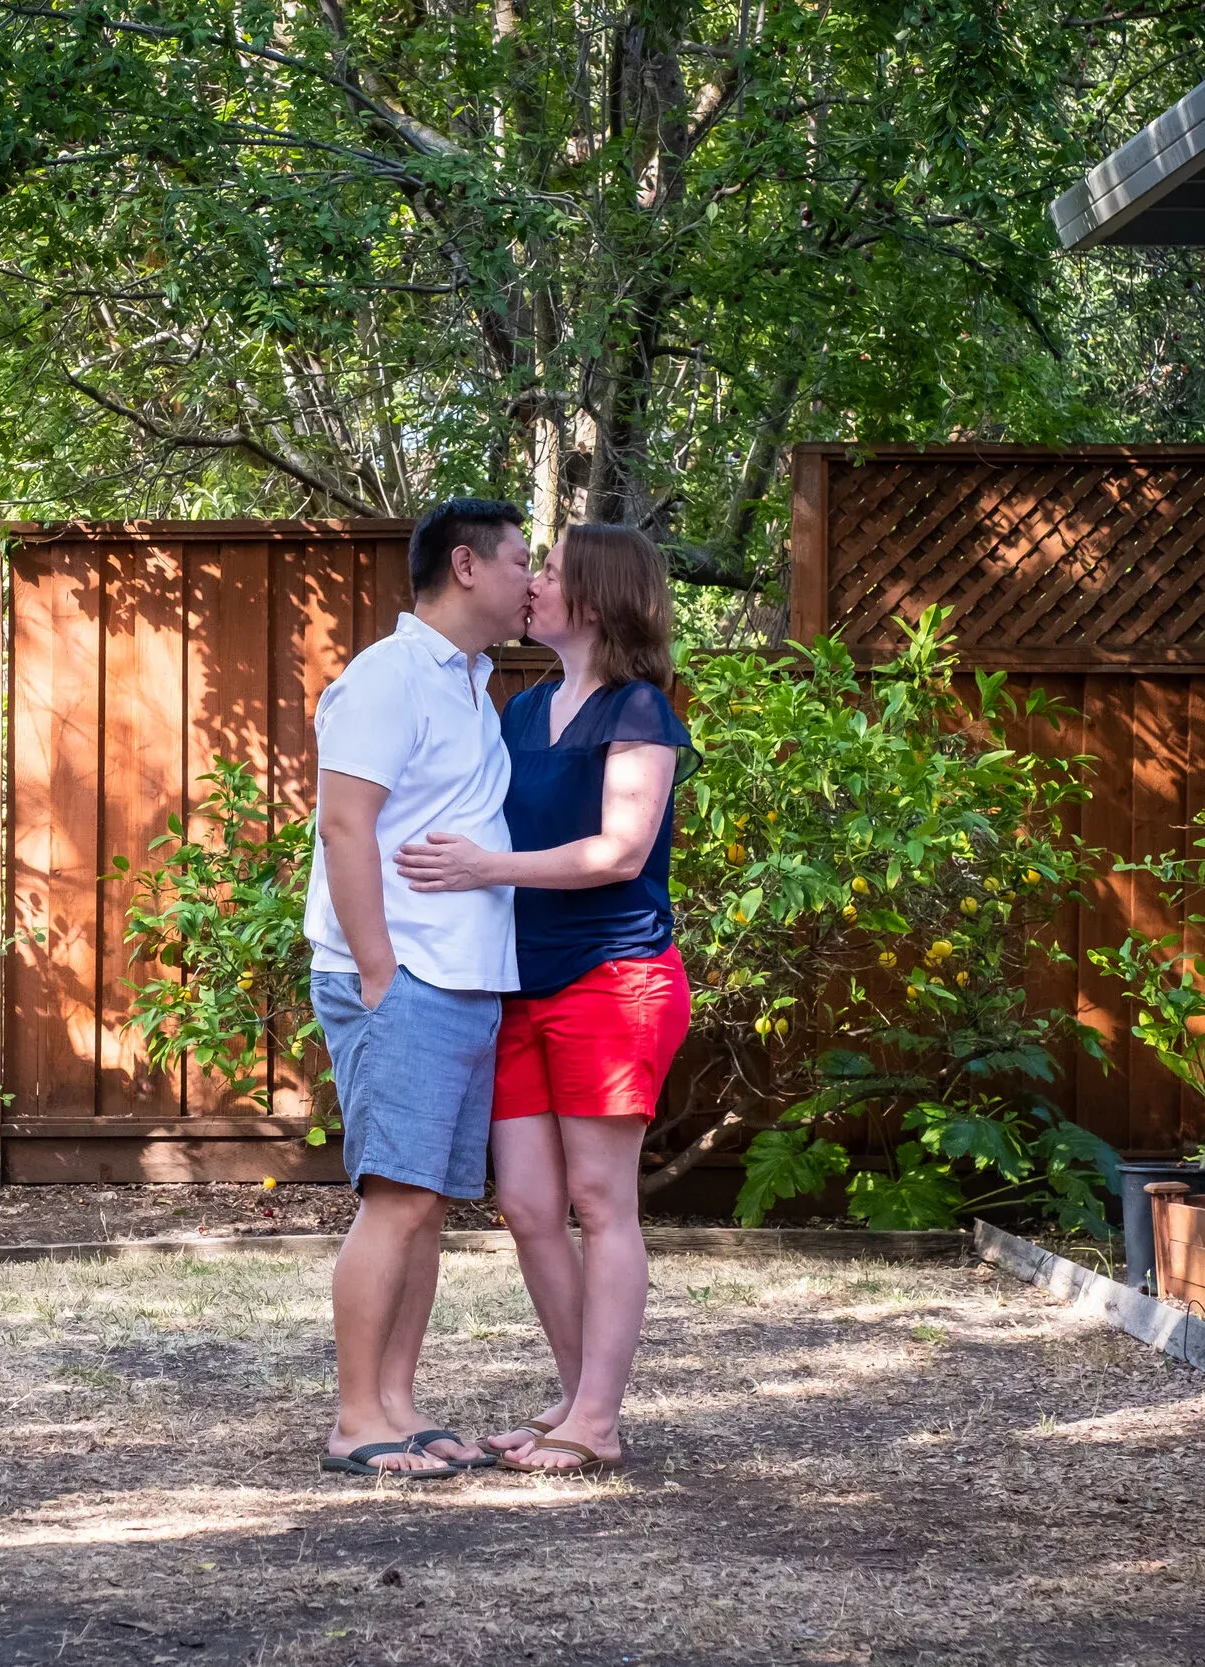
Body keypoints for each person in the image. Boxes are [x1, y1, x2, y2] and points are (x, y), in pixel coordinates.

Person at [395, 522, 693, 1475]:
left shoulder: (639, 711)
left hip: (616, 979)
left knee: (602, 1201)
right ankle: (578, 1404)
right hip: (522, 983)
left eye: (552, 572)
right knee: (527, 1204)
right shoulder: (521, 712)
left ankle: (595, 1420)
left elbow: (621, 851)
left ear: (597, 599)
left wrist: (488, 867)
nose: (533, 585)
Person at [306, 497, 534, 1479]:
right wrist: (378, 969)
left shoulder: (470, 684)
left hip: (462, 972)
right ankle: (356, 1415)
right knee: (394, 1200)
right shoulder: (389, 676)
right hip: (406, 975)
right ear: (467, 565)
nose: (534, 577)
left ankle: (396, 1400)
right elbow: (343, 825)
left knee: (426, 1202)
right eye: (524, 558)